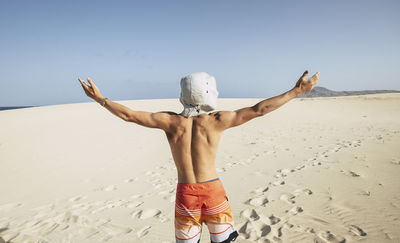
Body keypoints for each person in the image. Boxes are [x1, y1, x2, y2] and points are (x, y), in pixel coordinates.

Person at [78, 70, 320, 243]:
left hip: (186, 195)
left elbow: (129, 115)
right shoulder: (217, 121)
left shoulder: (171, 122)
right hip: (213, 192)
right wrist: (296, 91)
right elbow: (259, 109)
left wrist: (100, 98)